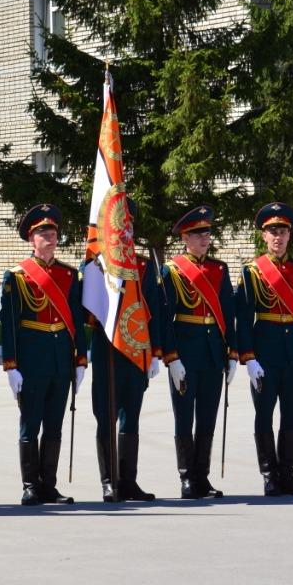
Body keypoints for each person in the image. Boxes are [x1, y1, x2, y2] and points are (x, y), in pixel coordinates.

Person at [0, 204, 85, 506]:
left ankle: (49, 484)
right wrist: (10, 365)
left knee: (54, 424)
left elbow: (76, 319)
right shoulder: (18, 276)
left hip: (61, 359)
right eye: (43, 234)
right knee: (30, 423)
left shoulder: (69, 274)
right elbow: (8, 325)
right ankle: (29, 485)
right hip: (31, 361)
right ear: (31, 239)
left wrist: (80, 359)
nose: (50, 238)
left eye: (53, 233)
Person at [236, 202, 293, 497]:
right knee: (264, 415)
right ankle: (269, 475)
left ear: (289, 236)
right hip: (265, 352)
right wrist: (247, 357)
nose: (278, 237)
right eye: (273, 232)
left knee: (290, 415)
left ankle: (287, 474)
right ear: (264, 236)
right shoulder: (252, 272)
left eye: (283, 231)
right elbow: (244, 318)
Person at [87, 198, 163, 502]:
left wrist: (156, 352)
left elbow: (154, 311)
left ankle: (128, 481)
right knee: (106, 416)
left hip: (136, 352)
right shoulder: (95, 264)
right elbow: (87, 314)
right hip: (107, 352)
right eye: (120, 223)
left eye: (129, 224)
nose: (124, 229)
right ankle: (109, 481)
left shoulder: (143, 267)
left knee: (131, 418)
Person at [161, 205, 236, 499]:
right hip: (186, 353)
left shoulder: (219, 269)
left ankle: (202, 477)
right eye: (198, 234)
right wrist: (171, 357)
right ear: (185, 237)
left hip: (213, 353)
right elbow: (166, 318)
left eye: (207, 232)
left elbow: (227, 314)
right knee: (184, 417)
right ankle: (186, 479)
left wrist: (231, 354)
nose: (205, 238)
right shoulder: (173, 271)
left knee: (207, 416)